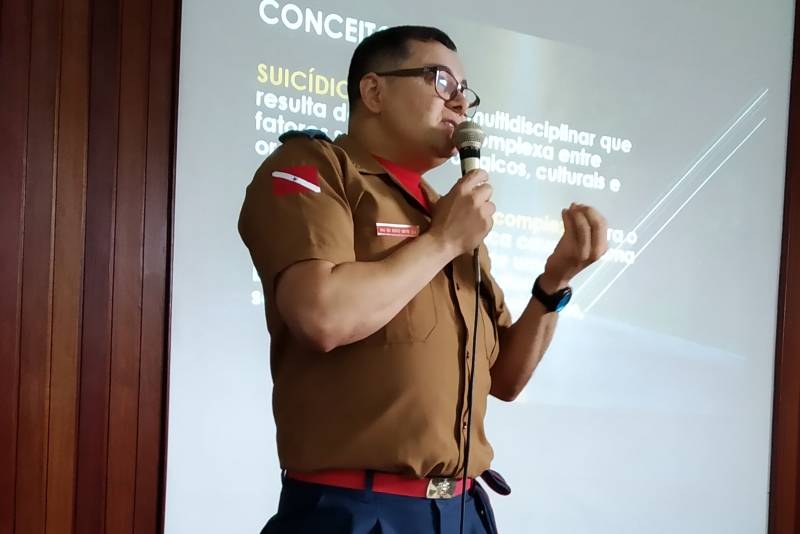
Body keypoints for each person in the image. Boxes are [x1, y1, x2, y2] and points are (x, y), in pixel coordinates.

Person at [238, 25, 608, 534]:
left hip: (459, 510)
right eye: (441, 81)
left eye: (465, 91)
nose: (460, 104)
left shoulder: (448, 213)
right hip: (354, 511)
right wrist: (441, 242)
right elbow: (320, 317)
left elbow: (506, 379)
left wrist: (555, 281)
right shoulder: (317, 167)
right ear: (374, 92)